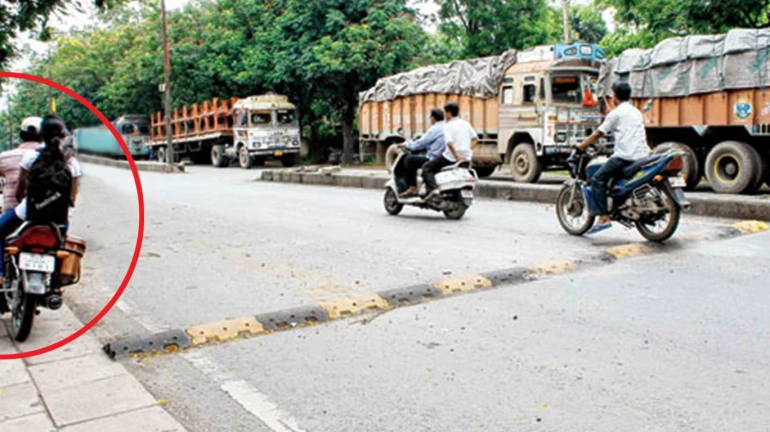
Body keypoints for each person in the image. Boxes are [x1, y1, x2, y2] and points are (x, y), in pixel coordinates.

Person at [0, 114, 79, 284]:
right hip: (59, 219)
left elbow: (20, 191)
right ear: (63, 135)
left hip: (29, 213)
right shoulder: (72, 162)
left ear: (41, 135)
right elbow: (72, 197)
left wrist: (28, 203)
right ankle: (56, 283)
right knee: (62, 246)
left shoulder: (31, 157)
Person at [575, 81, 651, 234]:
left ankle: (603, 218)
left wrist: (581, 146)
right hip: (642, 155)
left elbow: (598, 133)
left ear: (615, 96)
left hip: (626, 156)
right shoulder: (636, 112)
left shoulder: (616, 113)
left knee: (597, 179)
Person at [421, 102, 478, 198]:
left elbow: (449, 144)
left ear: (449, 113)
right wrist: (468, 150)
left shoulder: (448, 126)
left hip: (450, 157)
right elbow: (476, 139)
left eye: (445, 113)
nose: (445, 116)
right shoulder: (466, 124)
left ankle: (434, 189)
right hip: (466, 157)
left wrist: (457, 156)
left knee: (427, 167)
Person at [397, 109, 446, 198]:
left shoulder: (435, 129)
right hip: (446, 158)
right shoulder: (448, 127)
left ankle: (412, 188)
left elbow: (420, 144)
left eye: (431, 117)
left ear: (433, 118)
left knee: (409, 159)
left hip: (434, 158)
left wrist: (407, 144)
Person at [0, 117, 44, 213]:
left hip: (12, 210)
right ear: (43, 136)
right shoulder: (52, 156)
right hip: (44, 211)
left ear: (21, 135)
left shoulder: (4, 157)